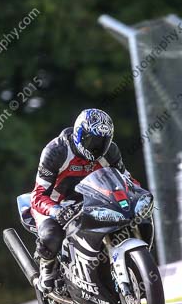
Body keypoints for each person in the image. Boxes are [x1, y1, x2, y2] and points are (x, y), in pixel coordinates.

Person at [30, 108, 138, 291]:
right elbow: (38, 195)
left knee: (130, 218)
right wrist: (56, 211)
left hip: (92, 201)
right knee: (51, 235)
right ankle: (46, 269)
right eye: (91, 140)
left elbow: (127, 180)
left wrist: (138, 195)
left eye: (102, 142)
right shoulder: (56, 151)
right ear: (79, 134)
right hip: (56, 204)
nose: (96, 147)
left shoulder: (110, 152)